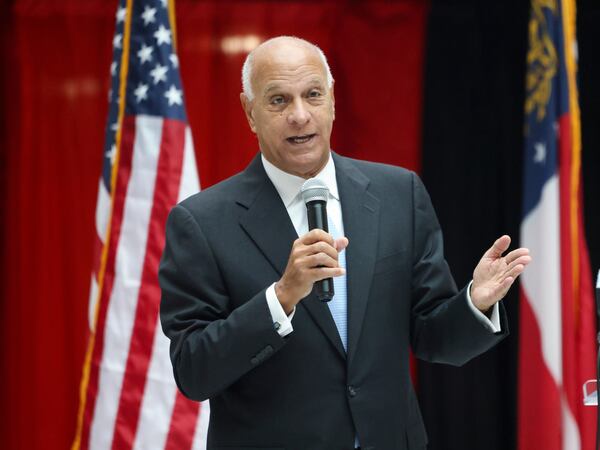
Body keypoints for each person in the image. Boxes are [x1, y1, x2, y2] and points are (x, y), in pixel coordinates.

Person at [159, 36, 531, 450]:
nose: (300, 115)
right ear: (250, 112)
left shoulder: (398, 193)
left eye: (312, 94)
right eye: (278, 101)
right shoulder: (202, 222)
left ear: (332, 101)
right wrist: (280, 298)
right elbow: (193, 371)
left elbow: (432, 335)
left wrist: (474, 303)